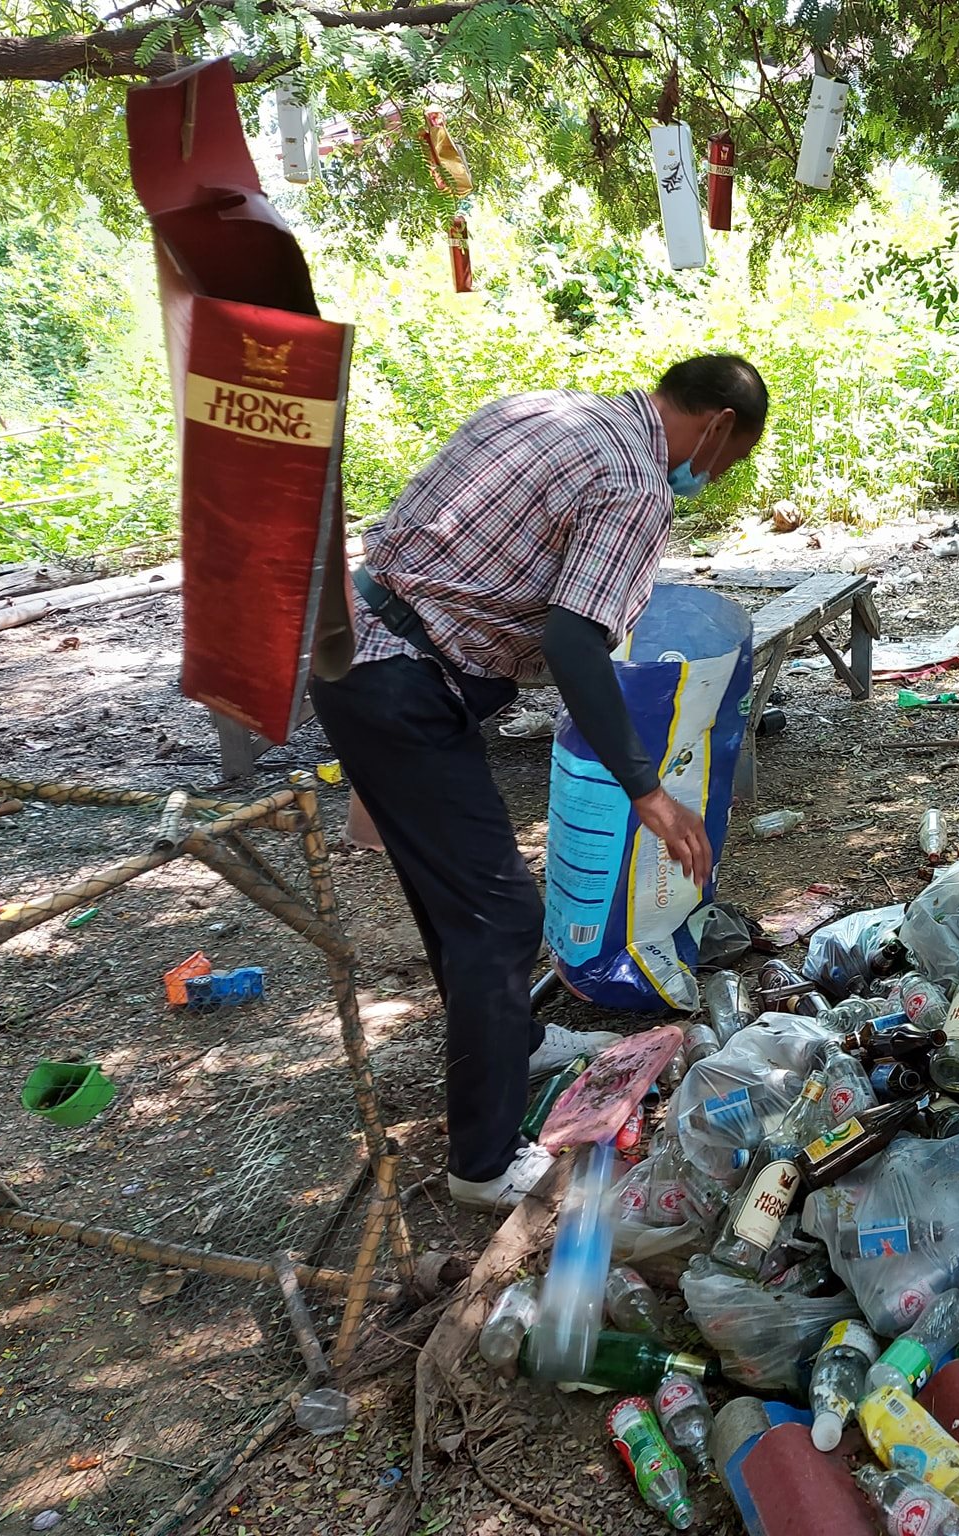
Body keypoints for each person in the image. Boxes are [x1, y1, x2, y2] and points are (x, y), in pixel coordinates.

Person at [313, 354, 768, 1211]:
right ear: (715, 427)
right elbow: (572, 641)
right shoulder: (637, 480)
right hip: (405, 680)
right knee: (503, 915)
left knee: (452, 890)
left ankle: (513, 1042)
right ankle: (482, 1164)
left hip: (352, 643)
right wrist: (646, 787)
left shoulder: (540, 409)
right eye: (727, 460)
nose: (713, 477)